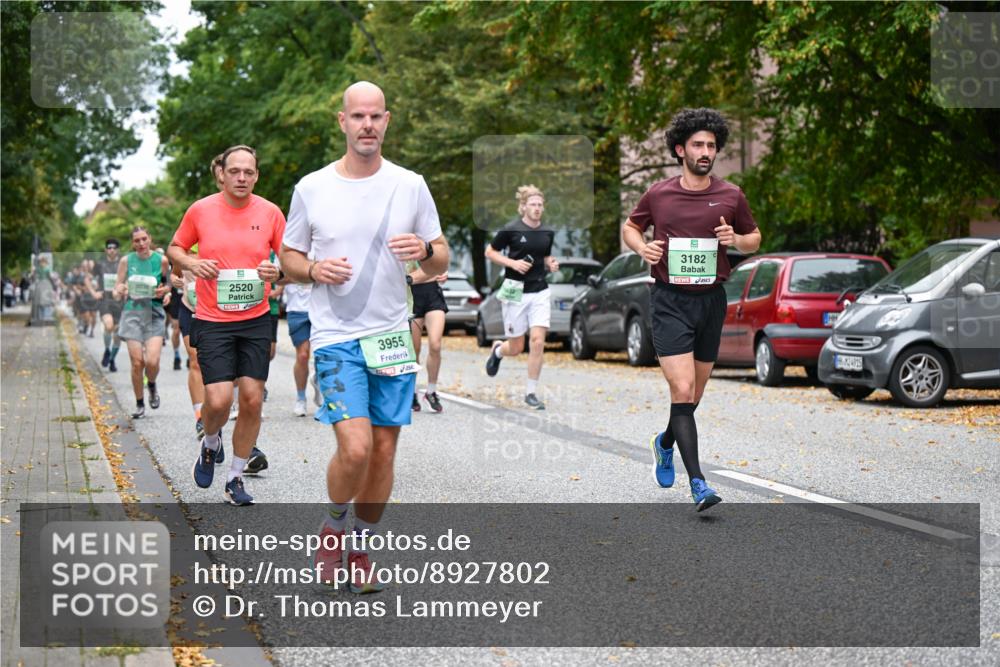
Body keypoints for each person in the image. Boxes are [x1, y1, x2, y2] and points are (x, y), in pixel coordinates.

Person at [280, 81, 449, 593]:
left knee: (383, 452)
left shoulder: (411, 184)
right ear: (343, 122)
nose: (367, 125)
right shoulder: (312, 187)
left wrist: (422, 246)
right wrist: (312, 269)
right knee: (354, 449)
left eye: (376, 116)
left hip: (391, 336)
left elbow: (440, 257)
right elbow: (287, 258)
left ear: (387, 120)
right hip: (334, 337)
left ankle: (361, 547)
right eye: (358, 116)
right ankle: (333, 527)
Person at [622, 107, 761, 512]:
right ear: (680, 148)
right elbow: (631, 226)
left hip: (711, 301)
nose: (705, 151)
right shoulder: (659, 194)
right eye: (698, 144)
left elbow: (754, 239)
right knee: (681, 390)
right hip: (669, 300)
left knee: (693, 396)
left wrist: (734, 237)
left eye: (711, 146)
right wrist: (640, 246)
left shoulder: (731, 194)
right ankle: (698, 483)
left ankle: (664, 443)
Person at [168, 144, 285, 506]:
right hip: (213, 319)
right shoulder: (201, 210)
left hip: (255, 319)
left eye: (248, 172)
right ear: (223, 173)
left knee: (251, 399)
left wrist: (277, 272)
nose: (241, 178)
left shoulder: (270, 212)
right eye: (235, 171)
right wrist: (191, 262)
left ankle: (235, 477)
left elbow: (292, 262)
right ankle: (211, 441)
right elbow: (174, 248)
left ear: (256, 175)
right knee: (217, 402)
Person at [483, 185, 558, 410]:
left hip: (540, 291)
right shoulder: (511, 229)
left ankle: (531, 393)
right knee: (516, 347)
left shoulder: (547, 232)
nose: (536, 209)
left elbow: (544, 255)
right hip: (515, 291)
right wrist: (512, 263)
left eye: (540, 205)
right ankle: (498, 350)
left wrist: (550, 263)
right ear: (523, 207)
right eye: (532, 205)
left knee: (537, 341)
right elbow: (490, 252)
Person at [113, 227, 171, 419]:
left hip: (154, 312)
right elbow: (117, 288)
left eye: (144, 239)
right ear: (133, 243)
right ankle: (139, 404)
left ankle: (151, 384)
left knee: (152, 361)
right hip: (133, 312)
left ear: (150, 239)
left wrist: (167, 293)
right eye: (137, 240)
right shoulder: (126, 261)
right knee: (137, 362)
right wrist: (120, 289)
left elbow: (169, 285)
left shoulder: (161, 261)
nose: (141, 243)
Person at [407, 265, 448, 412]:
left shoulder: (430, 242)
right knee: (413, 350)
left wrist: (444, 271)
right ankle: (410, 393)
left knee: (435, 345)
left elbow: (440, 260)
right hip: (410, 296)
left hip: (432, 294)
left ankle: (431, 392)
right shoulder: (400, 243)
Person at [88, 239, 124, 372]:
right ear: (105, 250)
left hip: (120, 302)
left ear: (118, 250)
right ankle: (107, 350)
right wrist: (93, 292)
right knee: (108, 325)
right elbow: (87, 278)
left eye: (114, 247)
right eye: (109, 247)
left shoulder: (123, 264)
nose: (112, 250)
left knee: (118, 334)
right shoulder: (100, 265)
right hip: (105, 301)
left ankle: (112, 359)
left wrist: (124, 290)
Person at [284, 280, 314, 417]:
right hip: (296, 310)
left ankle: (320, 384)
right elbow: (277, 278)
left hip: (320, 309)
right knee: (302, 355)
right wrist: (302, 273)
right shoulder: (286, 257)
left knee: (323, 355)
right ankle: (301, 398)